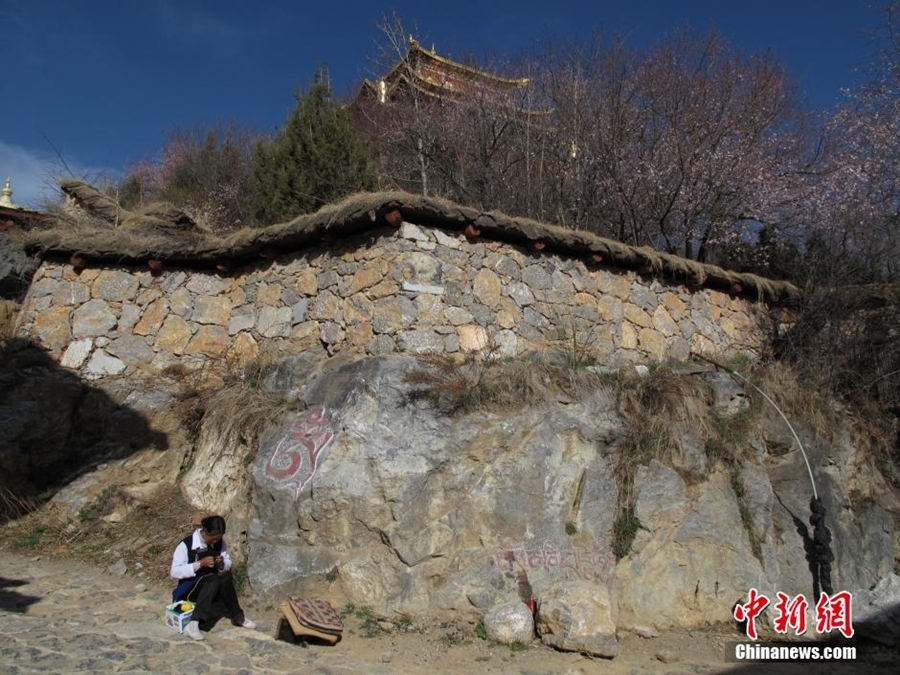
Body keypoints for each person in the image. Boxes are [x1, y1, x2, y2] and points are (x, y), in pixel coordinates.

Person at [170, 514, 255, 640]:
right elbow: (174, 571)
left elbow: (228, 563)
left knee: (225, 578)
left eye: (218, 539)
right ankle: (194, 622)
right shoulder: (186, 545)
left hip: (210, 588)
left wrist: (222, 563)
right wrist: (199, 564)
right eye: (213, 539)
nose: (215, 542)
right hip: (190, 591)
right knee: (213, 579)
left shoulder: (219, 543)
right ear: (205, 532)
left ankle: (238, 616)